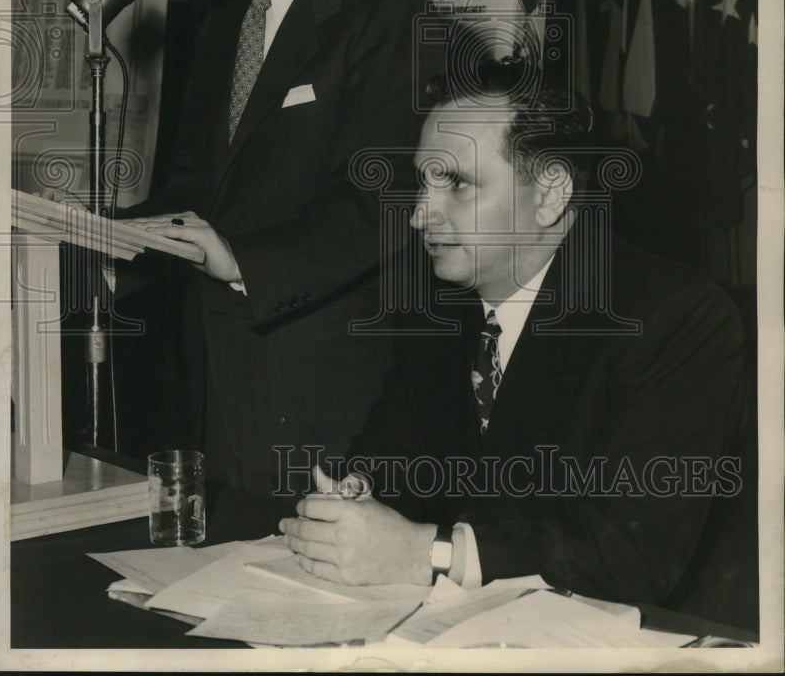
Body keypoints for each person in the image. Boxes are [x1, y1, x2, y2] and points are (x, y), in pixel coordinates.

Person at [279, 57, 754, 625]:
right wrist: (355, 495)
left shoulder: (674, 317)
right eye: (422, 180)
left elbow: (628, 554)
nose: (418, 216)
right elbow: (396, 451)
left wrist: (424, 553)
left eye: (455, 182)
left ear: (550, 193)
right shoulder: (439, 303)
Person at [120, 0, 434, 496]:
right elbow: (194, 185)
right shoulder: (223, 28)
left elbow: (383, 202)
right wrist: (116, 240)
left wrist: (241, 261)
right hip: (211, 389)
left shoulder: (390, 17)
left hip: (325, 395)